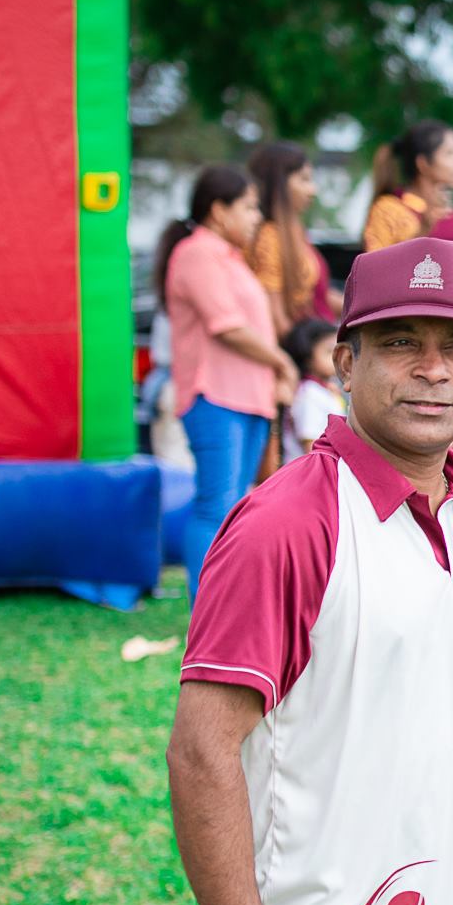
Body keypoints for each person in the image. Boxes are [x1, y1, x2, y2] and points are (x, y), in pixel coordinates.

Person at [169, 237, 453, 905]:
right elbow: (202, 752)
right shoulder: (288, 521)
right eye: (401, 341)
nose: (433, 369)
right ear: (343, 360)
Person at [155, 164, 298, 600]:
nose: (257, 218)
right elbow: (225, 326)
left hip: (248, 398)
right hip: (214, 396)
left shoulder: (232, 259)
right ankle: (206, 607)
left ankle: (226, 599)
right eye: (249, 208)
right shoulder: (198, 253)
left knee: (235, 505)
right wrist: (283, 363)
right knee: (214, 504)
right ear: (219, 210)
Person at [361, 120, 453, 284]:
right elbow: (375, 275)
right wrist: (425, 229)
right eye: (450, 153)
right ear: (423, 163)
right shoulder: (389, 209)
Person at [245, 140, 336, 338]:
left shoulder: (295, 233)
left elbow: (320, 295)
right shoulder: (269, 238)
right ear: (279, 183)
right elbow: (276, 320)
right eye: (304, 180)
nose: (313, 190)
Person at [279, 317, 346, 466]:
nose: (337, 359)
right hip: (309, 474)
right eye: (329, 352)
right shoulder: (309, 394)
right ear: (308, 357)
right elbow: (311, 445)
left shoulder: (323, 390)